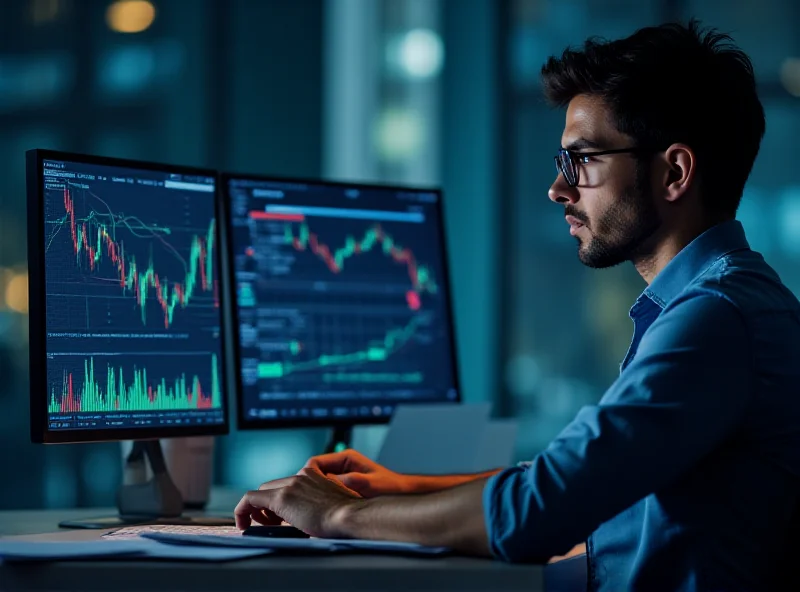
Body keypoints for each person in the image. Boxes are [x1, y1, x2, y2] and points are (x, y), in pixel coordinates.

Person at [234, 19, 800, 591]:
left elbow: (541, 512)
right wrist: (401, 488)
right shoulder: (722, 304)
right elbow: (578, 478)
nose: (558, 189)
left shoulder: (715, 319)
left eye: (581, 161)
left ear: (673, 173)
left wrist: (337, 515)